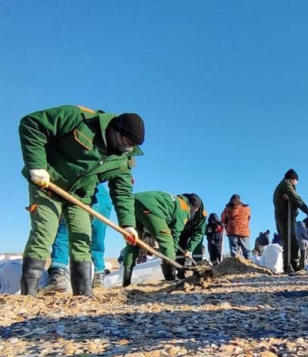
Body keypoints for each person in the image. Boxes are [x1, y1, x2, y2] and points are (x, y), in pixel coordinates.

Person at [19, 105, 143, 296]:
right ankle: (28, 294)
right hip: (48, 185)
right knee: (44, 232)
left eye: (131, 146)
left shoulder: (123, 159)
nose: (126, 148)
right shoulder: (80, 118)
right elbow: (32, 123)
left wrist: (128, 225)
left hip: (80, 196)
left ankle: (83, 293)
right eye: (125, 142)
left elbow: (123, 192)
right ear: (114, 130)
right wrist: (37, 166)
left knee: (82, 238)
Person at [44, 182, 113, 293]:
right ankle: (99, 275)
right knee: (96, 239)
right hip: (104, 200)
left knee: (63, 233)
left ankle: (58, 275)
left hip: (81, 193)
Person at [121, 191, 200, 285]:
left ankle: (126, 280)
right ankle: (170, 279)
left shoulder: (175, 200)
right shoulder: (184, 208)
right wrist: (172, 251)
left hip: (133, 202)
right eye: (196, 210)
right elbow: (175, 233)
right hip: (151, 207)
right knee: (167, 239)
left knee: (133, 241)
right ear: (192, 207)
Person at [273, 169, 308, 273]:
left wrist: (290, 199)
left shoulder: (285, 186)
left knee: (291, 242)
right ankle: (290, 266)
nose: (297, 183)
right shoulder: (286, 184)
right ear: (293, 179)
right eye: (296, 180)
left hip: (288, 218)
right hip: (284, 218)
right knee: (290, 242)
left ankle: (292, 266)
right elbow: (296, 198)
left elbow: (293, 200)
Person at [176, 193, 206, 279]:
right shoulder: (179, 206)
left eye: (196, 209)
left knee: (197, 246)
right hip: (182, 229)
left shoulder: (202, 214)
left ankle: (197, 270)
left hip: (195, 230)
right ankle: (180, 271)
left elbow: (199, 233)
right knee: (180, 247)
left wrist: (189, 249)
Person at [221, 194, 252, 258]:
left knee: (234, 251)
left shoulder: (227, 209)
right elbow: (248, 218)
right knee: (247, 251)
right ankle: (250, 265)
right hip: (244, 232)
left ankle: (236, 266)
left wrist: (224, 224)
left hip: (232, 231)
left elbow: (223, 219)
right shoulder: (247, 208)